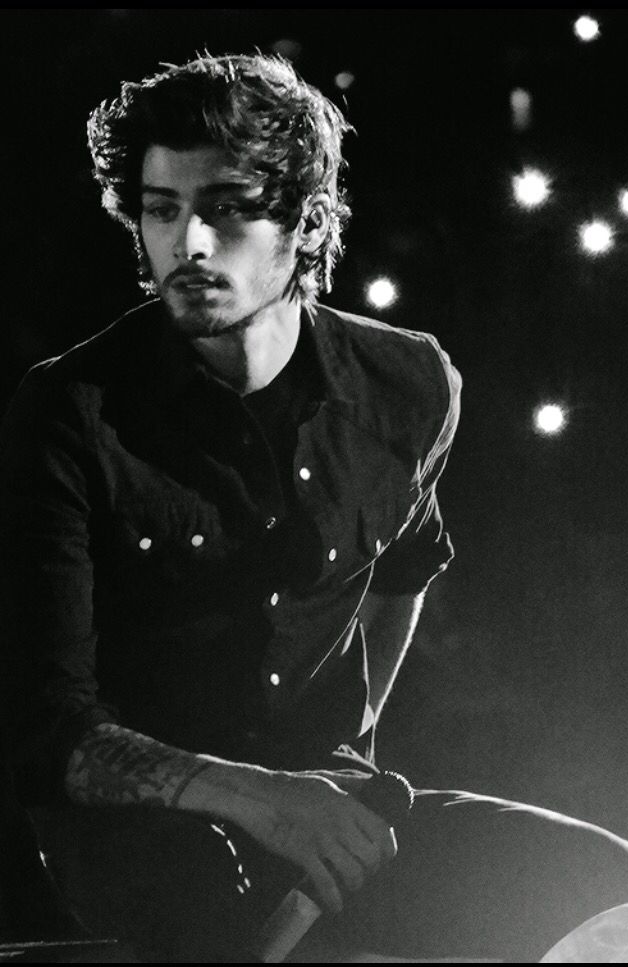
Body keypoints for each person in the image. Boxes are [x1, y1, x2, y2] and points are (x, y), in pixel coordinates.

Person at [0, 52, 461, 962]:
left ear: (307, 216)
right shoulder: (67, 413)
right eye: (163, 210)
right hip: (145, 822)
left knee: (598, 884)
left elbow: (404, 565)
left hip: (333, 793)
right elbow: (45, 730)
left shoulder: (410, 381)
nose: (190, 245)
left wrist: (351, 744)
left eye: (227, 207)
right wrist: (262, 798)